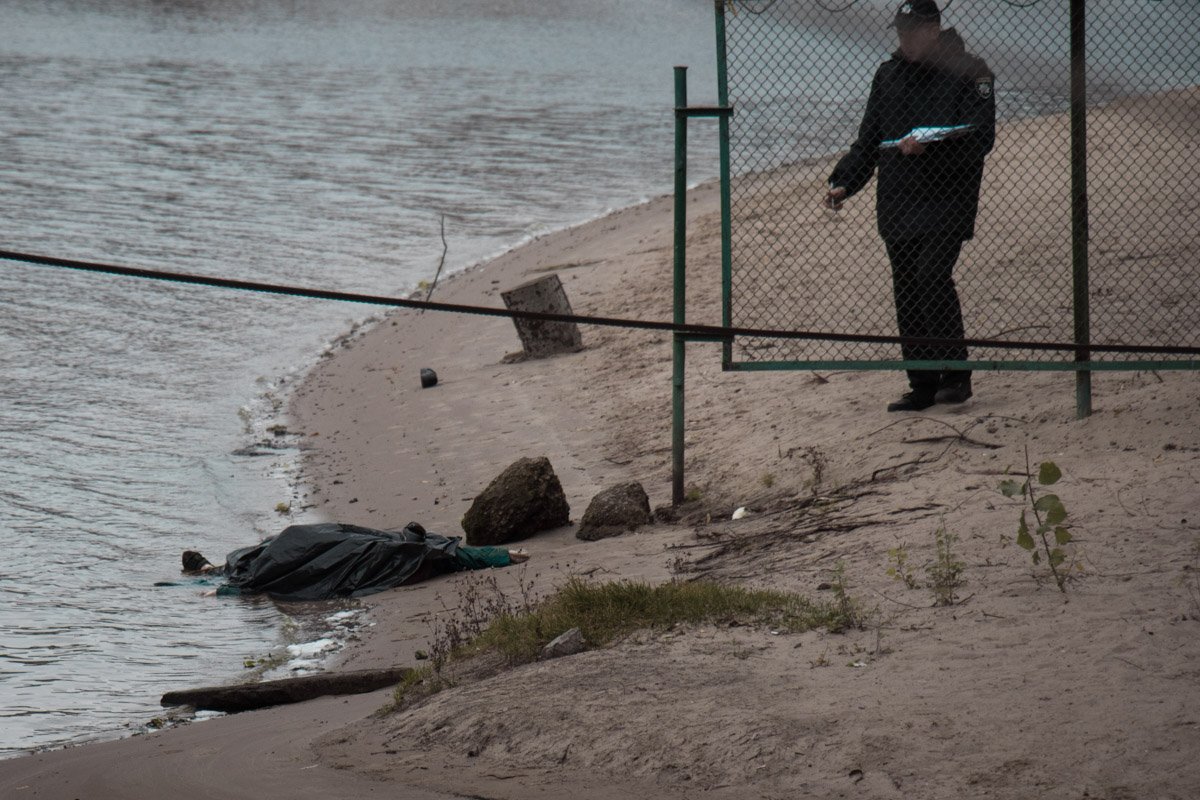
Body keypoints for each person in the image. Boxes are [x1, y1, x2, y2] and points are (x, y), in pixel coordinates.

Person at [825, 0, 995, 412]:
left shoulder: (972, 71)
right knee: (906, 288)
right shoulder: (888, 76)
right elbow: (868, 142)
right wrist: (844, 181)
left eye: (913, 31)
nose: (905, 39)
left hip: (948, 198)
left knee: (932, 276)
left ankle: (956, 377)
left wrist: (929, 148)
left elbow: (980, 139)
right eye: (900, 31)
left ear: (933, 30)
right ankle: (921, 383)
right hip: (898, 202)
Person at [181, 521, 529, 600]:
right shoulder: (409, 548)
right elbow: (459, 554)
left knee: (271, 559)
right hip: (313, 541)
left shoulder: (409, 552)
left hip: (308, 547)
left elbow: (298, 576)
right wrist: (503, 555)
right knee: (272, 551)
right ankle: (213, 571)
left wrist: (502, 555)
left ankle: (214, 573)